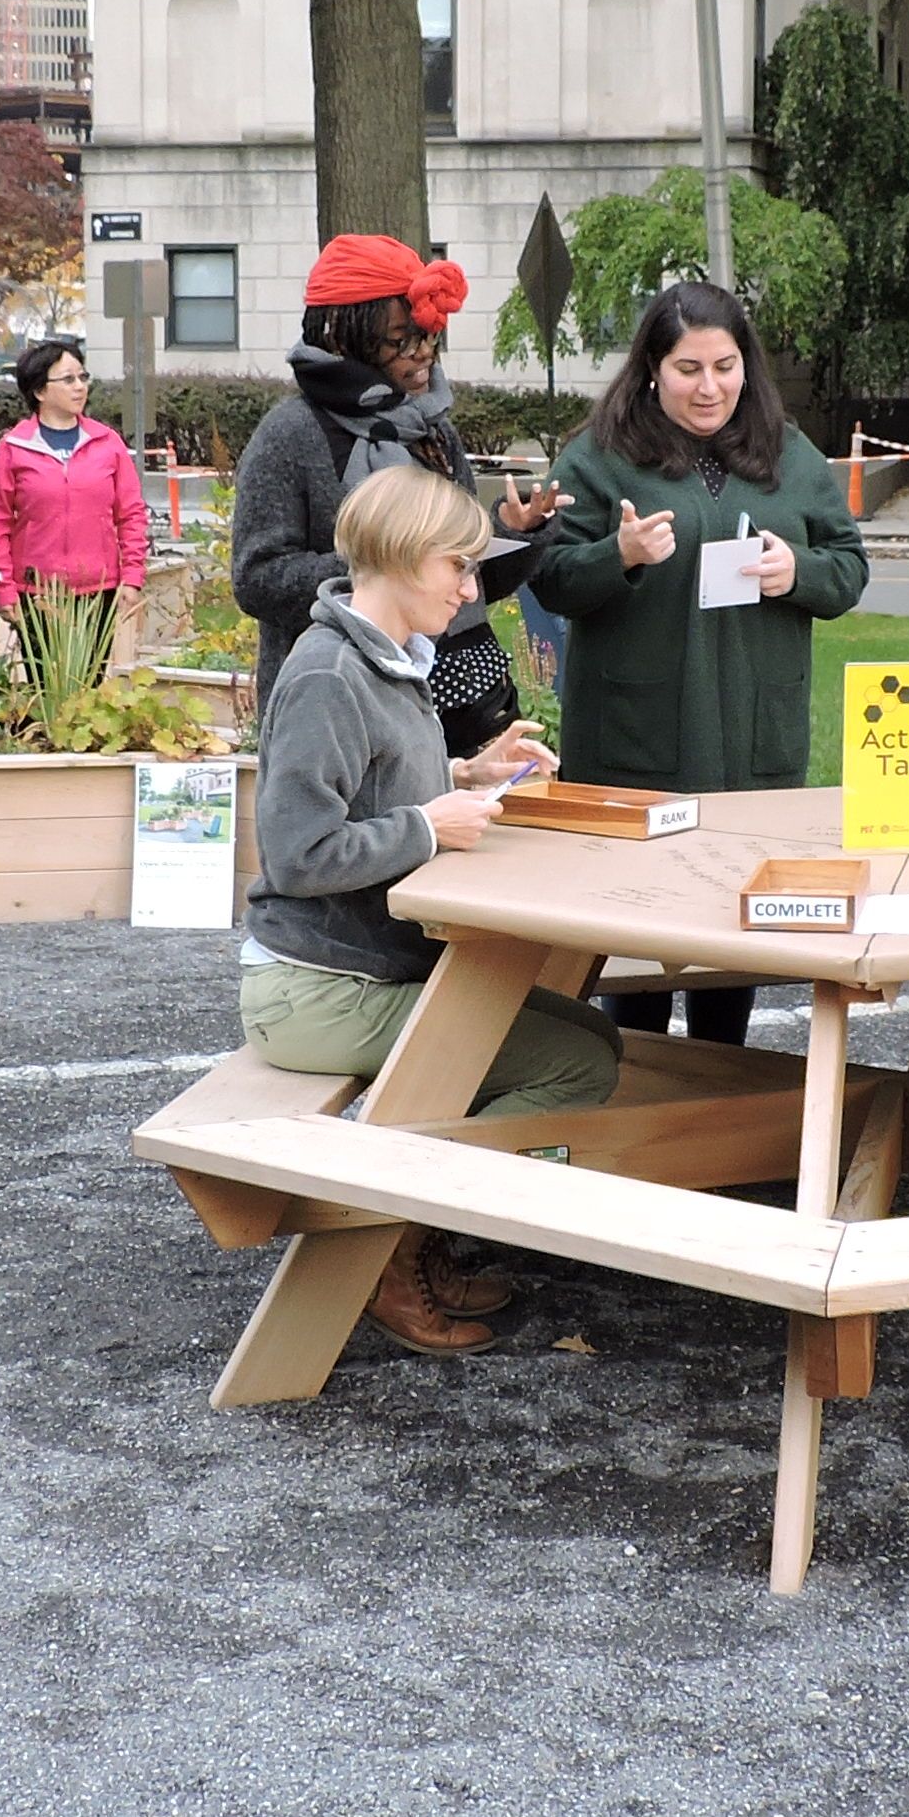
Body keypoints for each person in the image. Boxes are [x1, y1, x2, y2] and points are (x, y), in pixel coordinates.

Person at [242, 464, 603, 1353]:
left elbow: (367, 791)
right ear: (404, 560)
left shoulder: (381, 659)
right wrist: (427, 825)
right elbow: (296, 852)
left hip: (350, 972)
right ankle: (386, 1241)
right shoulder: (330, 673)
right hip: (319, 988)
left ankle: (414, 1229)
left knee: (586, 1041)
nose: (472, 589)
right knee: (578, 1066)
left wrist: (465, 775)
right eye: (459, 568)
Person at [531, 283, 870, 1048]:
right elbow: (548, 578)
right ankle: (633, 1072)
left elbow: (849, 566)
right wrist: (615, 555)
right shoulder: (599, 455)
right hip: (637, 737)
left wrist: (799, 573)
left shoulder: (786, 450)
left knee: (735, 920)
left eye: (725, 365)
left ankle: (725, 1072)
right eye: (688, 368)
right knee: (636, 924)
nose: (710, 386)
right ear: (652, 367)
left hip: (753, 733)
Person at [231, 234, 564, 754]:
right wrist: (383, 571)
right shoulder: (291, 434)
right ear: (346, 337)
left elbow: (462, 581)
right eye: (400, 340)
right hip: (347, 704)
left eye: (429, 336)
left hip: (469, 703)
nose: (423, 353)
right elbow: (256, 579)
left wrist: (514, 536)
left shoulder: (432, 429)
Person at [0, 337, 151, 625]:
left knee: (92, 672)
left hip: (98, 588)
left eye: (82, 377)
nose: (79, 386)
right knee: (42, 671)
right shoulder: (14, 448)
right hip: (36, 592)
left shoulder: (107, 442)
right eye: (68, 379)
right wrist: (4, 588)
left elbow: (131, 514)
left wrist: (133, 576)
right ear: (39, 391)